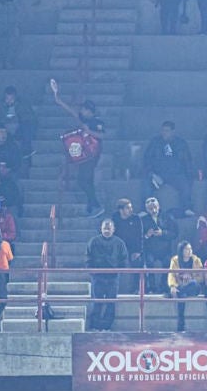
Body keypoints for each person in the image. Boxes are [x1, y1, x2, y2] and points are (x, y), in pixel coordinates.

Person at [51, 79, 105, 217]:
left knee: (82, 180)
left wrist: (89, 131)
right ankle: (92, 206)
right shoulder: (82, 117)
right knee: (86, 180)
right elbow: (71, 111)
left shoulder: (97, 122)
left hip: (93, 155)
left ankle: (95, 205)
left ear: (90, 111)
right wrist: (58, 98)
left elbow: (102, 135)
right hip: (83, 154)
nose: (82, 111)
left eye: (85, 109)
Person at [143, 121, 195, 217]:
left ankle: (186, 208)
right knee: (146, 183)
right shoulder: (155, 142)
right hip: (158, 174)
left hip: (175, 175)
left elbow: (187, 161)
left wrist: (189, 175)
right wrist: (152, 174)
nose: (164, 133)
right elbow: (147, 159)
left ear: (173, 132)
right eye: (163, 130)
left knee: (185, 184)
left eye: (167, 131)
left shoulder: (181, 143)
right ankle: (146, 210)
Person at [86, 218, 128, 332]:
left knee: (111, 303)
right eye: (105, 228)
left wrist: (119, 271)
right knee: (97, 302)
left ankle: (107, 326)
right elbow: (88, 258)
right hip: (97, 277)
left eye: (109, 228)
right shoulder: (94, 242)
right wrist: (92, 272)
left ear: (113, 229)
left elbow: (123, 259)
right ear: (101, 228)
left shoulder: (119, 243)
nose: (106, 230)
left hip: (112, 277)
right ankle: (95, 326)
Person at [142, 197, 178, 294]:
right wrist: (147, 235)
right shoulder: (143, 220)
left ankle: (164, 286)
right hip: (150, 250)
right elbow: (139, 237)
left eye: (155, 207)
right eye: (150, 209)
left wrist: (163, 233)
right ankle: (152, 288)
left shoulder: (168, 217)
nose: (153, 210)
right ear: (146, 210)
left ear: (159, 206)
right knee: (149, 263)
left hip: (165, 249)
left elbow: (175, 233)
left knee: (168, 263)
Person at [111, 198, 145, 293]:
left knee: (138, 264)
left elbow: (139, 236)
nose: (131, 210)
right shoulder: (114, 218)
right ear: (121, 210)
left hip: (133, 248)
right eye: (128, 208)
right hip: (119, 248)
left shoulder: (136, 218)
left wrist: (138, 251)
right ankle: (113, 289)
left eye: (131, 207)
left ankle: (137, 289)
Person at [168, 240, 203, 332]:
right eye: (187, 249)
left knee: (193, 284)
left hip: (193, 287)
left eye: (190, 249)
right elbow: (171, 275)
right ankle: (181, 323)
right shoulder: (175, 260)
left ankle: (178, 291)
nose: (189, 251)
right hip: (180, 286)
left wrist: (190, 277)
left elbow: (201, 277)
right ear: (181, 250)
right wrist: (173, 286)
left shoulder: (196, 260)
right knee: (181, 296)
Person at [0, 86, 37, 171]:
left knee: (26, 129)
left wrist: (16, 118)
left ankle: (26, 152)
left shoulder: (22, 105)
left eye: (11, 98)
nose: (9, 101)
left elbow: (27, 118)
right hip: (5, 129)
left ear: (15, 98)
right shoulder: (1, 106)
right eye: (7, 98)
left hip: (19, 129)